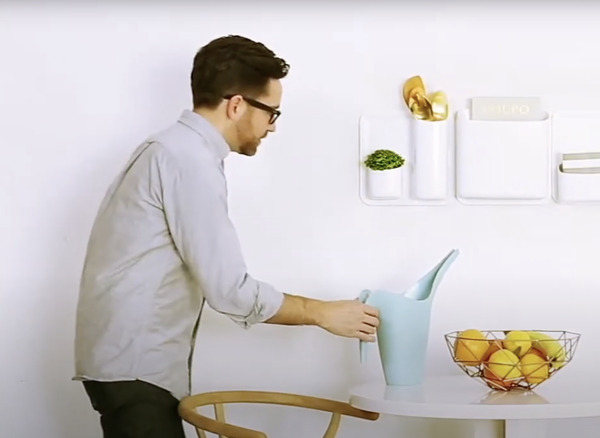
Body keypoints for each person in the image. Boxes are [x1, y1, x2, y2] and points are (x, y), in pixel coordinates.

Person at [73, 35, 380, 438]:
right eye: (272, 113)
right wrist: (321, 313)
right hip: (136, 369)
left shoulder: (172, 149)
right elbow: (228, 290)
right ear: (236, 105)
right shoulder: (188, 161)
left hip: (127, 365)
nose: (272, 126)